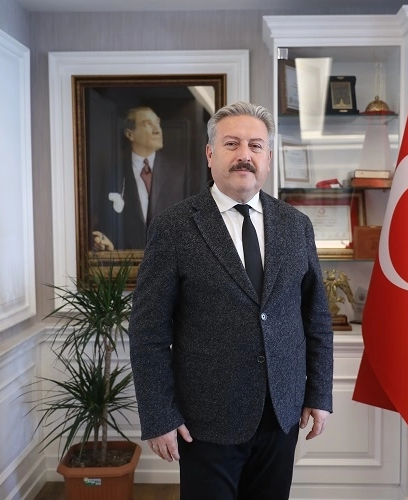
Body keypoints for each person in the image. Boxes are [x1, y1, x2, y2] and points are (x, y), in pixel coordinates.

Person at [128, 101, 334, 500]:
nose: (244, 155)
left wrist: (319, 393)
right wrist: (158, 415)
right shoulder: (173, 227)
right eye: (231, 144)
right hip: (206, 421)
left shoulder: (296, 226)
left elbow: (317, 319)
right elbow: (148, 330)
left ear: (268, 158)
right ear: (210, 154)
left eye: (256, 146)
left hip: (281, 414)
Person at [92, 105, 190, 250]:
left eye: (157, 123)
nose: (157, 130)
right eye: (148, 124)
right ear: (130, 134)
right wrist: (106, 243)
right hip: (126, 260)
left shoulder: (179, 171)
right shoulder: (113, 173)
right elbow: (106, 225)